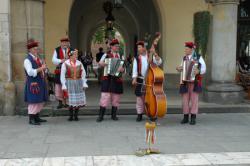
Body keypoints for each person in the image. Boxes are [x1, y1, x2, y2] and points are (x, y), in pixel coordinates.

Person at [176, 42, 206, 125]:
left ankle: (193, 117)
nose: (185, 50)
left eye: (187, 49)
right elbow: (181, 67)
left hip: (194, 82)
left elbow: (204, 68)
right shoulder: (184, 58)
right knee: (185, 100)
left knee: (194, 100)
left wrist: (198, 71)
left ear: (192, 49)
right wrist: (178, 68)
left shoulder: (198, 57)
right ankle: (185, 117)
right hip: (185, 82)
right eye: (185, 49)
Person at [132, 41, 162, 122]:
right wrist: (134, 78)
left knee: (151, 98)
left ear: (144, 48)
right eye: (138, 48)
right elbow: (134, 69)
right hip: (141, 79)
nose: (138, 49)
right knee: (139, 98)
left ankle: (151, 113)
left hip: (151, 79)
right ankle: (139, 114)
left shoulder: (151, 56)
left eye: (139, 47)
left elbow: (159, 62)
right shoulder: (137, 58)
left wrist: (155, 54)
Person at [96, 39, 125, 122]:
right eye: (116, 46)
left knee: (116, 98)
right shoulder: (106, 55)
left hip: (117, 78)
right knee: (105, 97)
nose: (117, 47)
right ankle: (101, 116)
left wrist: (122, 69)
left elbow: (124, 68)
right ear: (111, 47)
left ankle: (114, 115)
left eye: (118, 46)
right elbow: (100, 63)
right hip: (108, 79)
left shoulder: (121, 56)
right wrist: (104, 63)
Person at [24, 39, 48, 125]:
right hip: (33, 83)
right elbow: (30, 72)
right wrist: (41, 68)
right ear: (30, 50)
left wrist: (45, 69)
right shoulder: (27, 60)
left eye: (37, 49)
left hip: (40, 82)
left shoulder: (38, 59)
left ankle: (37, 117)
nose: (36, 50)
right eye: (35, 49)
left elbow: (43, 69)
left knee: (40, 100)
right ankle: (31, 119)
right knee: (33, 101)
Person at [60, 49, 88, 121]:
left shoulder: (79, 63)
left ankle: (76, 115)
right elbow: (62, 75)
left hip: (78, 83)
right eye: (75, 54)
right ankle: (71, 115)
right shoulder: (65, 63)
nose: (76, 55)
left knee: (77, 101)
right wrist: (63, 84)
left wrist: (84, 83)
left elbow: (83, 74)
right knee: (70, 100)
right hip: (69, 83)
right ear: (70, 55)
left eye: (77, 54)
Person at [52, 37, 73, 109]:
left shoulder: (71, 50)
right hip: (59, 71)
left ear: (68, 43)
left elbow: (75, 59)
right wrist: (62, 60)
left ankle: (66, 102)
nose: (64, 44)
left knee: (68, 87)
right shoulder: (57, 50)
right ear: (61, 43)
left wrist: (69, 60)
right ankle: (60, 102)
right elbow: (54, 60)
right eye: (63, 43)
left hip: (69, 71)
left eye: (66, 42)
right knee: (59, 87)